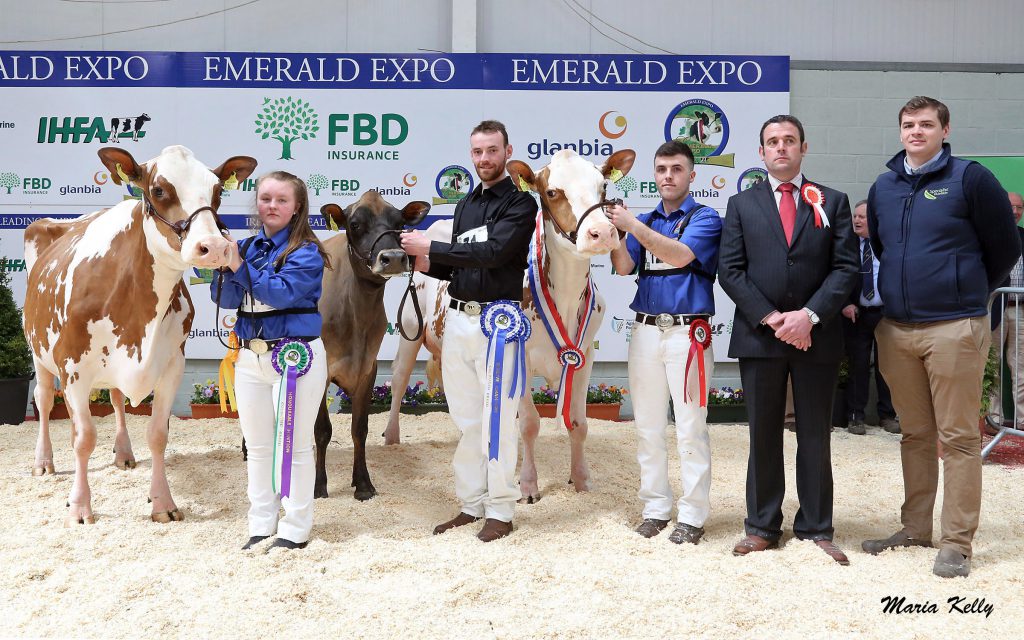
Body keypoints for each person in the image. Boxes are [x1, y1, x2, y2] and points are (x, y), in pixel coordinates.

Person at [863, 96, 1020, 578]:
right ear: (899, 132)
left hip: (955, 327)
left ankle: (956, 543)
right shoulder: (884, 187)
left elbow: (1005, 246)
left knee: (958, 437)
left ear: (944, 131)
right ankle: (914, 528)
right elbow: (884, 248)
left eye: (926, 124)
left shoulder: (971, 178)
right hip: (897, 328)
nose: (916, 131)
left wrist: (964, 290)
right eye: (908, 124)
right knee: (914, 434)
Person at [718, 114, 858, 565]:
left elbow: (845, 268)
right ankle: (761, 526)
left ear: (803, 147)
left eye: (789, 140)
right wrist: (774, 317)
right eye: (772, 142)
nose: (781, 148)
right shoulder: (741, 205)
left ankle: (817, 527)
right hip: (761, 337)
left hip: (816, 337)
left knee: (815, 433)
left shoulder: (831, 202)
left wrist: (809, 316)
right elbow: (731, 271)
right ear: (761, 152)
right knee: (762, 434)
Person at [401, 120, 536, 542]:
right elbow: (462, 261)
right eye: (477, 152)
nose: (484, 159)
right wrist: (425, 262)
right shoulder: (465, 204)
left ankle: (501, 509)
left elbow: (495, 254)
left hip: (497, 324)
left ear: (507, 151)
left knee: (498, 418)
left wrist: (432, 247)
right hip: (457, 319)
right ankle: (471, 502)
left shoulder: (521, 205)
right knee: (466, 417)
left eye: (492, 151)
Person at [606, 140, 723, 545]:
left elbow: (681, 256)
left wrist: (632, 225)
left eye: (676, 169)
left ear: (692, 176)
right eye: (661, 169)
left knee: (690, 427)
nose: (667, 176)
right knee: (648, 426)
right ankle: (656, 507)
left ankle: (692, 515)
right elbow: (623, 266)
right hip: (645, 330)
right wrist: (615, 233)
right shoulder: (646, 218)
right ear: (654, 175)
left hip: (688, 334)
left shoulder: (706, 217)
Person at [211, 171, 330, 551]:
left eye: (281, 200)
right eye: (265, 199)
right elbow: (227, 301)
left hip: (295, 358)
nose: (272, 206)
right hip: (249, 357)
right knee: (258, 445)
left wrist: (237, 268)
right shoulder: (245, 247)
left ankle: (295, 527)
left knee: (293, 445)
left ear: (297, 208)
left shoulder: (307, 251)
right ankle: (261, 523)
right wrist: (223, 265)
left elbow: (281, 294)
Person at [840, 200, 898, 435]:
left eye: (862, 217)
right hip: (856, 315)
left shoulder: (888, 245)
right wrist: (845, 303)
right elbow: (838, 275)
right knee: (858, 366)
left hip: (886, 314)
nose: (856, 220)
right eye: (855, 216)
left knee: (889, 367)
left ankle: (888, 415)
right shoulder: (846, 245)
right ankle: (856, 416)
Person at [987, 191, 1024, 433]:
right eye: (1010, 206)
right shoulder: (990, 236)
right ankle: (992, 419)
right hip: (995, 309)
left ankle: (1022, 421)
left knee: (1021, 368)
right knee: (991, 367)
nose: (1014, 211)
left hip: (1021, 311)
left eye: (1019, 207)